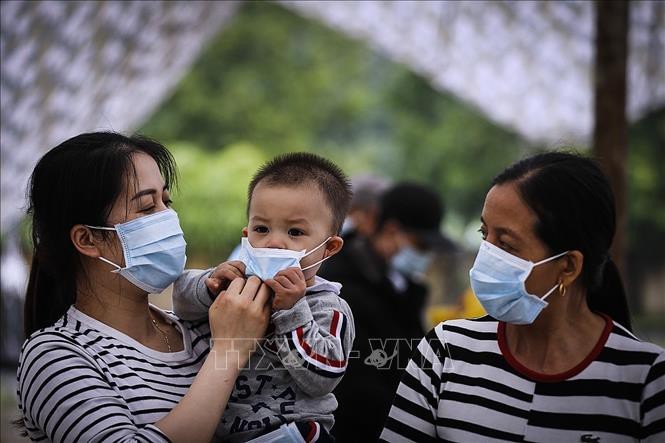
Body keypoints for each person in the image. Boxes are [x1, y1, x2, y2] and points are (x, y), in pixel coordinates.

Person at [381, 152, 665, 442]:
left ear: (567, 267)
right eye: (485, 235)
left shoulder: (647, 380)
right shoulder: (446, 350)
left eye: (505, 243)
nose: (486, 255)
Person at [16, 132, 271, 443]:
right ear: (87, 239)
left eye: (166, 201)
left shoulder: (199, 331)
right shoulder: (54, 356)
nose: (170, 217)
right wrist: (228, 353)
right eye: (147, 207)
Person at [172, 152, 355, 442]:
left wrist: (291, 311)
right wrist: (209, 284)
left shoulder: (328, 306)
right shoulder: (236, 283)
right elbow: (180, 302)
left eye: (295, 231)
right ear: (247, 235)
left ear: (329, 247)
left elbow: (323, 377)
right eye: (261, 229)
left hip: (294, 434)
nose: (273, 241)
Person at [318, 181, 455, 442]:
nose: (425, 256)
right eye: (421, 246)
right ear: (392, 230)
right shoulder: (338, 285)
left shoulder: (400, 284)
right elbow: (362, 384)